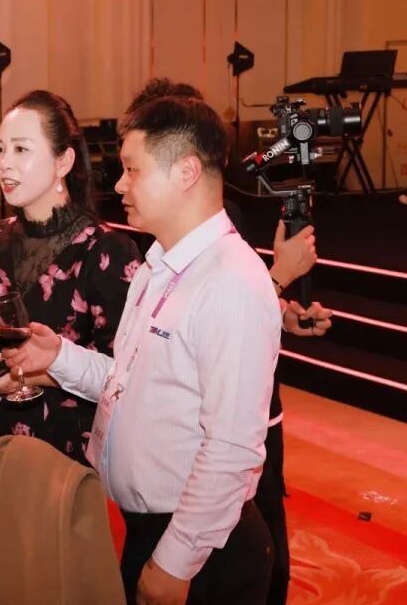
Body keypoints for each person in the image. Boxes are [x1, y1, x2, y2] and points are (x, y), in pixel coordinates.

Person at [2, 96, 281, 604]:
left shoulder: (231, 282)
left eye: (132, 170)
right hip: (150, 529)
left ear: (186, 172)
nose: (119, 185)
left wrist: (176, 560)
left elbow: (233, 447)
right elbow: (131, 381)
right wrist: (59, 356)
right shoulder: (160, 264)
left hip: (201, 546)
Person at [126, 77, 332, 605]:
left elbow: (230, 302)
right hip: (191, 455)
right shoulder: (159, 253)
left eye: (134, 167)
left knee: (258, 540)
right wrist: (279, 289)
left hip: (239, 432)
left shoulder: (220, 236)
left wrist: (277, 293)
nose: (123, 183)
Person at [0, 91, 139, 453]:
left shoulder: (107, 251)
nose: (4, 163)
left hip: (63, 448)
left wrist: (36, 375)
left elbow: (123, 375)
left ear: (63, 161)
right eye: (1, 149)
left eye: (21, 149)